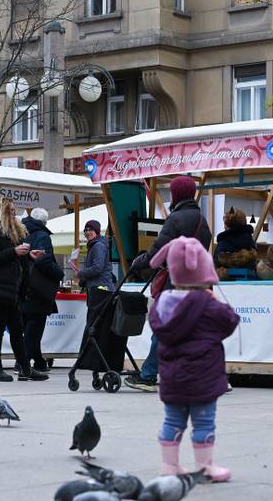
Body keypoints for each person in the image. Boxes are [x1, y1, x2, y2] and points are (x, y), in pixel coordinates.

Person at [148, 236, 239, 480]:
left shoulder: (162, 303)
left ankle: (169, 467)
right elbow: (230, 321)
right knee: (204, 423)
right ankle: (204, 468)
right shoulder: (207, 304)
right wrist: (215, 300)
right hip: (202, 379)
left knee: (172, 422)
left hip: (172, 378)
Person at [126, 175, 212, 392]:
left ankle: (147, 376)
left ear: (176, 194)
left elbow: (158, 252)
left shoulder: (175, 219)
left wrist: (139, 262)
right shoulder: (202, 220)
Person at [0, 197, 48, 382]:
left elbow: (11, 258)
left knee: (17, 329)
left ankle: (25, 368)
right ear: (2, 211)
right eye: (11, 211)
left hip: (11, 290)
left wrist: (28, 255)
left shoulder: (12, 232)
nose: (15, 214)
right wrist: (14, 252)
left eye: (15, 211)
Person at [21, 208, 63, 373]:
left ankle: (38, 361)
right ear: (44, 222)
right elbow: (44, 261)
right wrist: (58, 272)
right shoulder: (42, 236)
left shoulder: (21, 232)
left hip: (23, 286)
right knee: (35, 327)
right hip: (38, 288)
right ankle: (22, 362)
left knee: (29, 327)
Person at [72, 220, 115, 291]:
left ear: (96, 231)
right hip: (98, 287)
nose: (88, 232)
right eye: (86, 230)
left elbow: (97, 268)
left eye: (91, 230)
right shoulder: (93, 245)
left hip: (101, 289)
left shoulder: (98, 245)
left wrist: (80, 273)